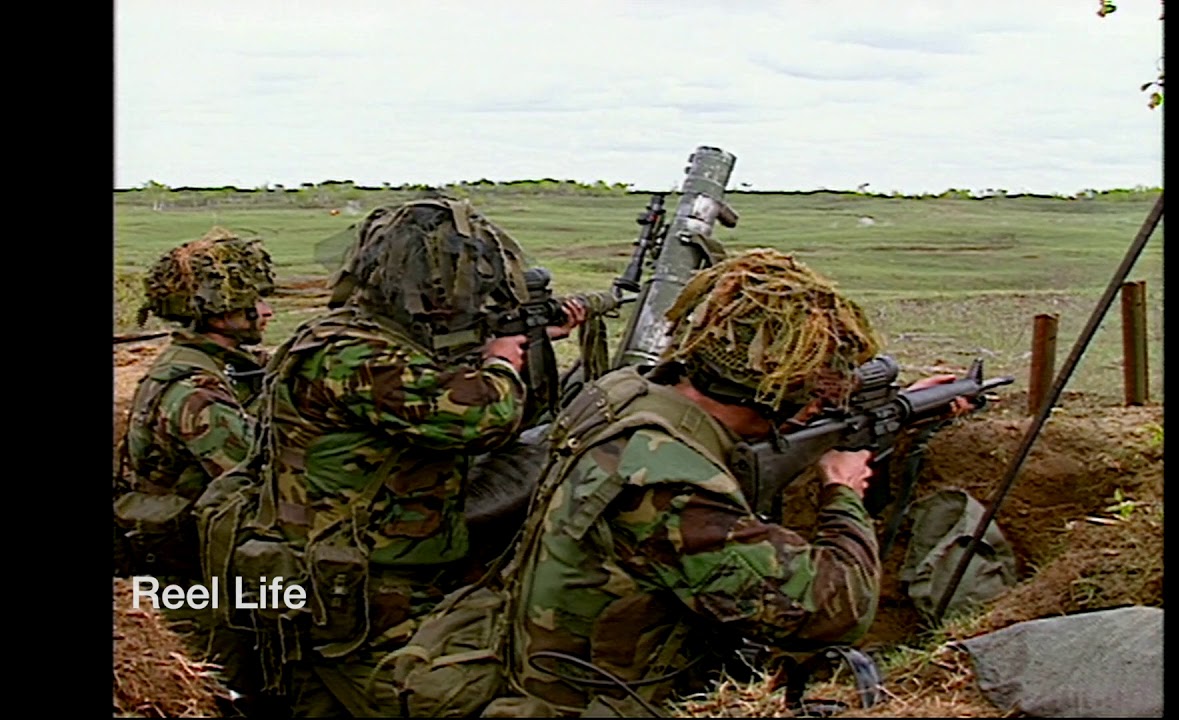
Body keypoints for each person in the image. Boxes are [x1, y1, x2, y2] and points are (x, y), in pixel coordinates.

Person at [496, 248, 974, 717]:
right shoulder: (669, 482)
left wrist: (897, 409)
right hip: (601, 700)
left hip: (552, 659)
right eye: (811, 390)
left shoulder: (626, 394)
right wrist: (842, 490)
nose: (816, 403)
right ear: (773, 394)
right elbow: (837, 610)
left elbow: (743, 444)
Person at [244, 198, 585, 717]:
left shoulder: (349, 333)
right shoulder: (355, 355)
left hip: (350, 574)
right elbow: (482, 419)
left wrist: (527, 339)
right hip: (362, 590)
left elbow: (425, 380)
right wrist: (502, 362)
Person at [112, 226, 277, 712]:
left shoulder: (198, 365)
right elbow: (250, 479)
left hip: (186, 564)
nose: (266, 311)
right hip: (194, 578)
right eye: (253, 301)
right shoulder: (198, 390)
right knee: (234, 692)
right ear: (218, 310)